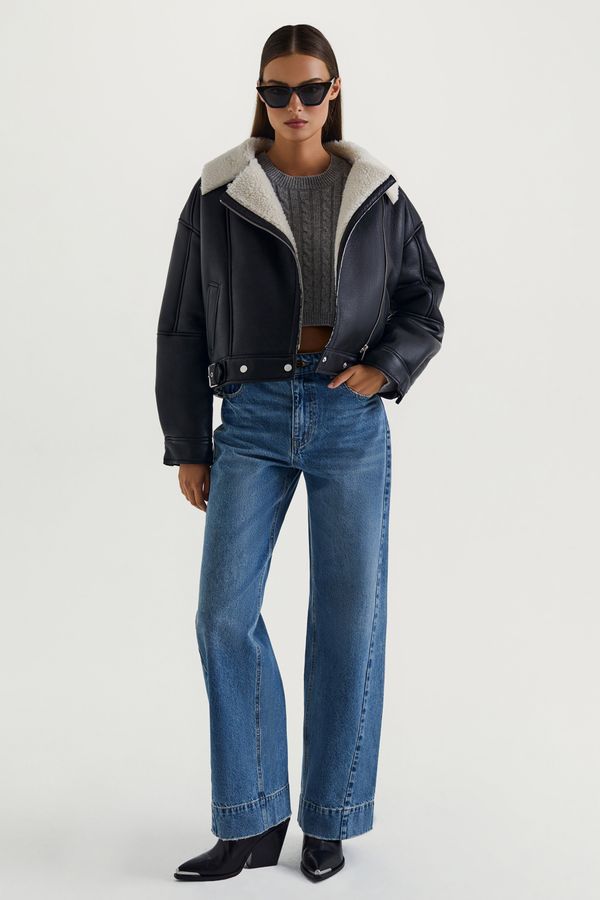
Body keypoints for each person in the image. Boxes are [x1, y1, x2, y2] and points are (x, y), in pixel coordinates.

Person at [155, 23, 445, 883]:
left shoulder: (378, 194)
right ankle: (251, 819)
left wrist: (385, 368)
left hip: (349, 418)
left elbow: (423, 300)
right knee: (223, 616)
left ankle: (331, 818)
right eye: (277, 91)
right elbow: (182, 324)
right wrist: (188, 444)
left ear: (334, 91)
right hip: (249, 415)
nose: (294, 105)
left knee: (349, 620)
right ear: (261, 95)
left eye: (310, 89)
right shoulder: (219, 194)